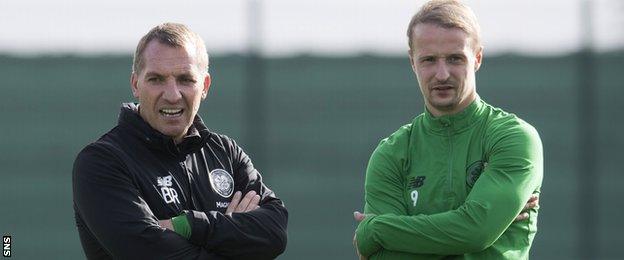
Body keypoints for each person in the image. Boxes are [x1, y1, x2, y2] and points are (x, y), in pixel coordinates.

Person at [73, 23, 288, 259]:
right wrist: (235, 234)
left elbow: (274, 231)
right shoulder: (103, 161)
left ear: (204, 86)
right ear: (136, 84)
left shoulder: (226, 152)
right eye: (156, 79)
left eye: (185, 79)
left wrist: (186, 225)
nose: (173, 95)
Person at [353, 0, 543, 259]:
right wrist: (466, 227)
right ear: (412, 61)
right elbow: (386, 257)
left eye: (455, 59)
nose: (442, 74)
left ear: (477, 58)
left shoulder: (513, 137)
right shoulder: (391, 154)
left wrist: (375, 230)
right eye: (429, 60)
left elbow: (476, 232)